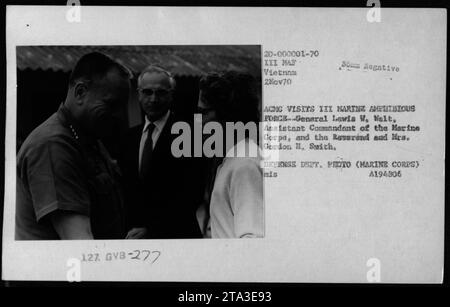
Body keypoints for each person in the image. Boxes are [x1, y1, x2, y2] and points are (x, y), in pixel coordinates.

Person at [16, 52, 131, 240]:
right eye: (111, 104)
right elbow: (78, 240)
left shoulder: (87, 137)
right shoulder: (53, 145)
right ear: (80, 93)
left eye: (122, 107)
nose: (118, 115)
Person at [119, 65, 204, 239]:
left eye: (161, 92)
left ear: (171, 95)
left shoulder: (189, 134)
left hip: (176, 236)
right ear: (138, 94)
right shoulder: (128, 138)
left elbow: (191, 195)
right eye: (147, 92)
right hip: (134, 239)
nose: (153, 99)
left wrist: (151, 230)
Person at [198, 71, 264, 238]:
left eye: (204, 112)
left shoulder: (245, 163)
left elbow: (251, 238)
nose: (198, 121)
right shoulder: (232, 158)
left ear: (226, 115)